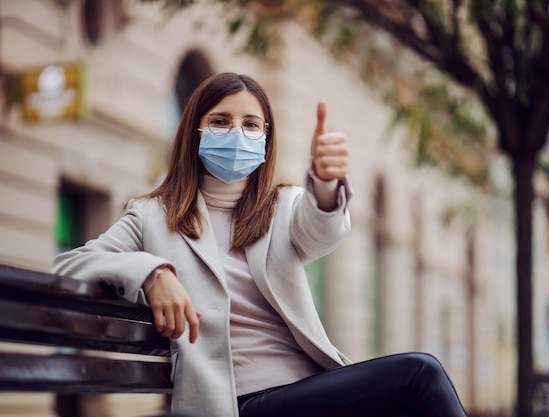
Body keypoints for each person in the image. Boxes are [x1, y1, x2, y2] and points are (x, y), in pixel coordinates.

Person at [52, 72, 467, 417]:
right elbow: (71, 264)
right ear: (194, 130)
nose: (237, 132)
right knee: (419, 374)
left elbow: (320, 231)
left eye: (251, 124)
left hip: (308, 389)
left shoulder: (283, 207)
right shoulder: (151, 215)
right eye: (220, 121)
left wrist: (324, 182)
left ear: (266, 140)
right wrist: (152, 273)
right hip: (235, 404)